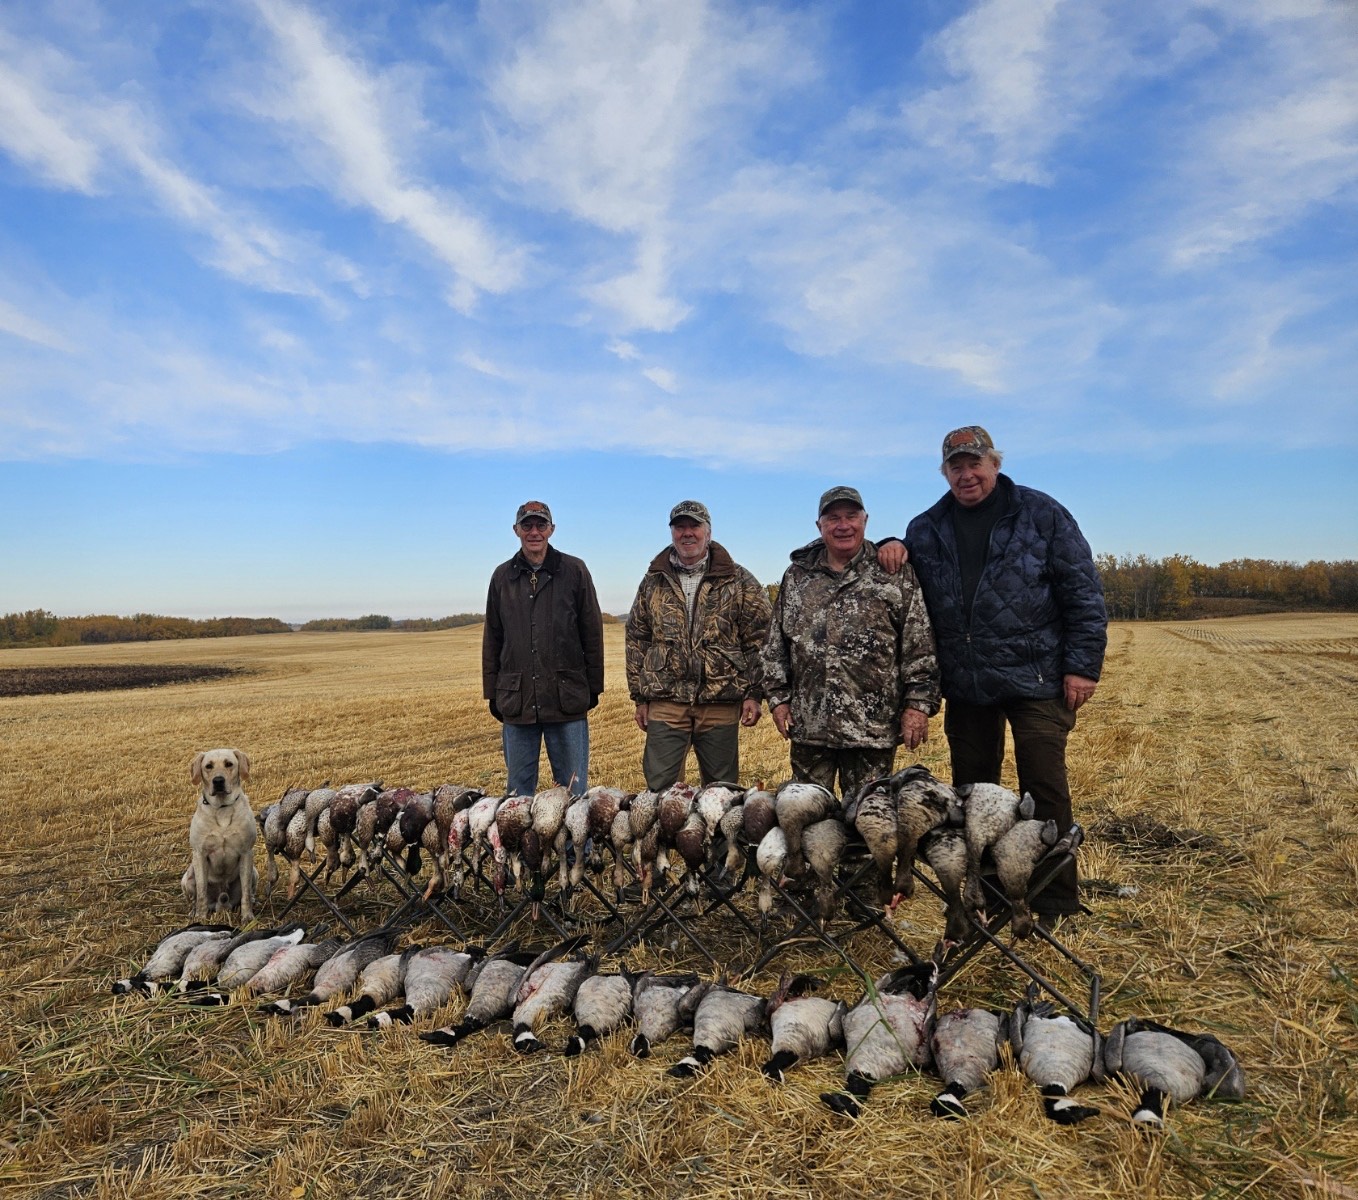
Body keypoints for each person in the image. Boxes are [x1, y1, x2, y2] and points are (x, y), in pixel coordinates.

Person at [877, 426, 1107, 925]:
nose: (966, 474)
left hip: (1037, 677)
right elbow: (904, 578)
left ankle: (1052, 899)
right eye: (955, 466)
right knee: (974, 797)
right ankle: (990, 896)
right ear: (945, 472)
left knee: (1044, 789)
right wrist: (891, 543)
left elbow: (1083, 592)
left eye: (974, 463)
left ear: (995, 465)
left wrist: (1082, 667)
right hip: (968, 683)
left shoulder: (1041, 513)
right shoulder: (927, 526)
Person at [761, 486, 940, 802]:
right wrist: (778, 699)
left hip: (872, 730)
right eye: (833, 518)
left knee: (869, 823)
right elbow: (776, 645)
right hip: (810, 727)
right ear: (820, 526)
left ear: (865, 520)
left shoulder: (894, 574)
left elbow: (919, 646)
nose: (843, 525)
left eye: (851, 516)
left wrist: (917, 705)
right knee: (806, 818)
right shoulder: (797, 576)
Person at [625, 500, 772, 791]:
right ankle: (666, 839)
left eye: (694, 526)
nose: (687, 533)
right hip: (666, 700)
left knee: (721, 793)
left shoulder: (739, 579)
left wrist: (755, 692)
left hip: (720, 699)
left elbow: (761, 639)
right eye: (680, 527)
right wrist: (640, 698)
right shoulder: (653, 581)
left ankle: (720, 839)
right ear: (672, 532)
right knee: (660, 791)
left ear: (708, 531)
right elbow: (637, 638)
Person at [483, 500, 604, 797]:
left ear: (552, 529)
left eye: (540, 525)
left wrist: (592, 688)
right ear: (516, 530)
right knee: (518, 792)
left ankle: (575, 846)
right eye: (527, 525)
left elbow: (592, 632)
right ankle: (520, 846)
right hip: (517, 700)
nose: (534, 531)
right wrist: (493, 692)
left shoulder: (574, 570)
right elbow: (493, 638)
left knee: (573, 789)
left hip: (567, 698)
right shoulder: (502, 577)